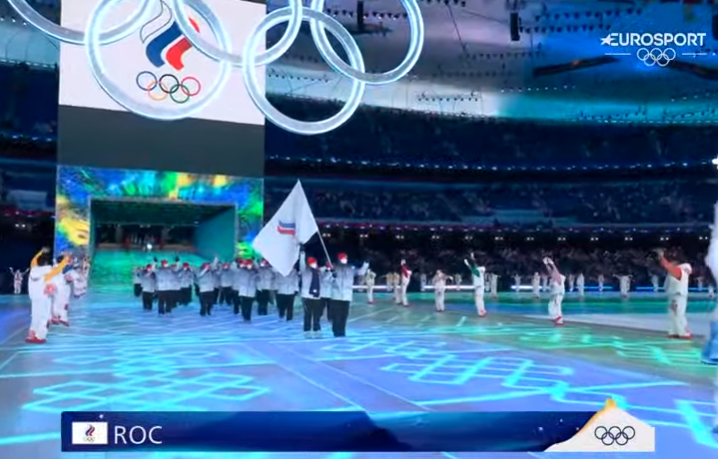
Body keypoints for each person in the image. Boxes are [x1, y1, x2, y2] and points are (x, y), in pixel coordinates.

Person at [26, 248, 67, 344]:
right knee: (44, 317)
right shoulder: (47, 271)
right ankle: (39, 337)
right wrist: (66, 258)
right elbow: (58, 269)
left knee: (35, 316)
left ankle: (31, 334)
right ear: (45, 263)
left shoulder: (33, 269)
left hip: (34, 298)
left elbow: (33, 260)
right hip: (43, 298)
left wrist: (40, 252)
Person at [329, 252, 369, 338]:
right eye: (342, 258)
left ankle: (342, 331)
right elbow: (326, 278)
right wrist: (331, 274)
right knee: (336, 315)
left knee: (344, 316)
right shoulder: (334, 267)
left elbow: (361, 272)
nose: (344, 260)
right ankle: (336, 330)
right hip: (336, 295)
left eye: (345, 258)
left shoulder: (350, 268)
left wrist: (366, 264)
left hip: (346, 296)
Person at [656, 249, 692, 340]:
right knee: (673, 314)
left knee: (678, 314)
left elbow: (667, 265)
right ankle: (674, 331)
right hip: (674, 295)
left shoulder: (680, 271)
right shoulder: (679, 271)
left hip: (678, 295)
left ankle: (683, 332)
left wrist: (661, 257)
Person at [299, 252, 324, 338]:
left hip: (317, 296)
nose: (313, 264)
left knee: (317, 314)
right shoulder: (305, 271)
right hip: (307, 295)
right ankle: (307, 329)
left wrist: (331, 274)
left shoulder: (319, 272)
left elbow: (324, 280)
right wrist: (302, 254)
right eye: (311, 263)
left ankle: (317, 328)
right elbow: (301, 264)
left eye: (314, 262)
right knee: (307, 314)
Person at [50, 255, 76, 327]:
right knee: (64, 304)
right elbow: (68, 278)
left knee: (55, 303)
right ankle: (62, 318)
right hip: (62, 288)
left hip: (54, 287)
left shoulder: (54, 267)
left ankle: (56, 317)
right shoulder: (64, 267)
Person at [544, 257, 565, 326]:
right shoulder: (553, 278)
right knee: (551, 307)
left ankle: (559, 320)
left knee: (556, 307)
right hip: (554, 296)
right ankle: (557, 319)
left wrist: (552, 264)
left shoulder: (560, 278)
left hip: (558, 295)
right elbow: (551, 271)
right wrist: (546, 264)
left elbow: (556, 272)